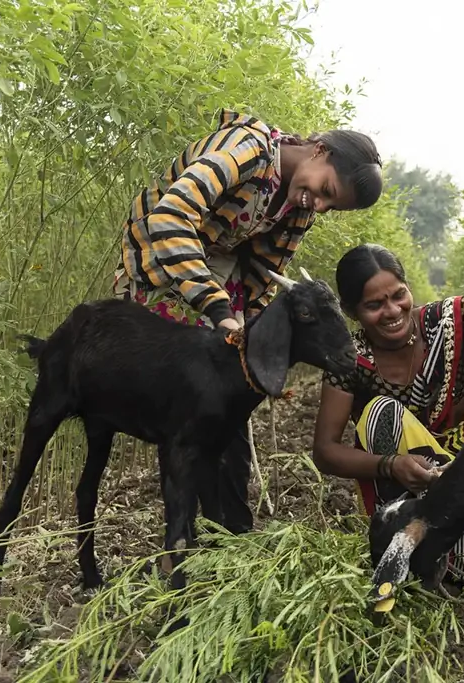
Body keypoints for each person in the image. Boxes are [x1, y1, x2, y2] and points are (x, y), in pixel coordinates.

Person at [113, 109, 383, 536]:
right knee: (190, 408)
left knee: (230, 399)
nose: (320, 203)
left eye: (332, 205)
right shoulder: (248, 149)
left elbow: (263, 272)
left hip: (222, 282)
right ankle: (182, 540)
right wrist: (220, 310)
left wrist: (261, 352)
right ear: (319, 150)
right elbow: (170, 216)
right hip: (163, 267)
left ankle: (228, 530)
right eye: (326, 189)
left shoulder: (300, 208)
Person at [312, 244, 464, 578]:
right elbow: (325, 451)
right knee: (380, 413)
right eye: (374, 305)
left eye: (398, 295)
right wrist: (390, 465)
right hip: (408, 490)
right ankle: (413, 539)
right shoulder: (351, 360)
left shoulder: (446, 320)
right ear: (351, 311)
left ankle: (458, 545)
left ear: (409, 288)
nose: (392, 311)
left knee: (462, 560)